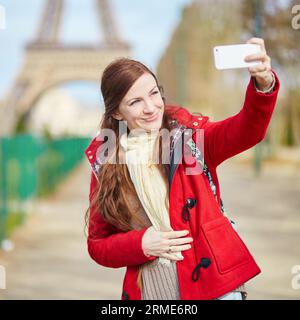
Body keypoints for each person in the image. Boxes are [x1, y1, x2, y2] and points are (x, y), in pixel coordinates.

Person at [85, 37, 280, 300]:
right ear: (117, 112)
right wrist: (140, 243)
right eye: (135, 102)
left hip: (216, 285)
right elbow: (97, 245)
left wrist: (263, 84)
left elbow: (247, 130)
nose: (151, 107)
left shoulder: (191, 137)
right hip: (153, 290)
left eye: (154, 93)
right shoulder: (107, 165)